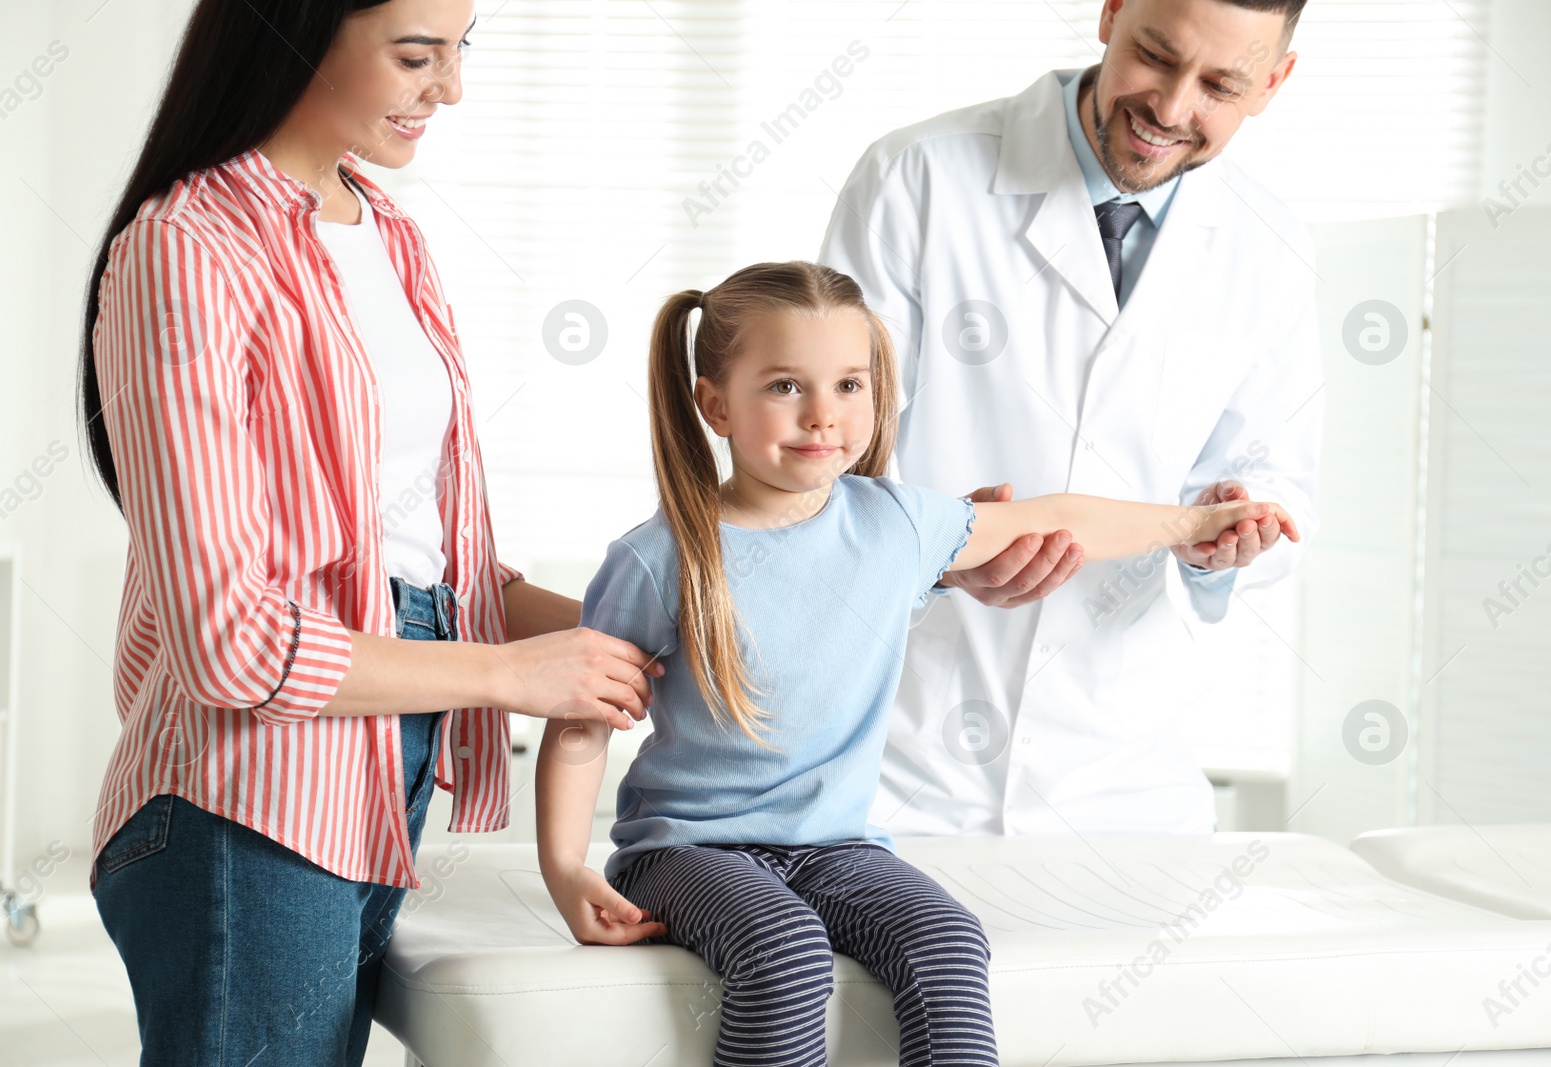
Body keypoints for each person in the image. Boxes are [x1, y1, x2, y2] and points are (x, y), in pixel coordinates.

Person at [78, 2, 660, 1062]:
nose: (450, 89)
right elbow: (229, 643)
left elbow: (427, 558)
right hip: (246, 797)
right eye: (414, 55)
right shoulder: (186, 248)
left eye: (459, 52)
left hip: (376, 763)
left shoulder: (389, 233)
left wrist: (628, 634)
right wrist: (508, 674)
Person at [534, 261, 1296, 1067]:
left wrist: (1198, 522)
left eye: (850, 385)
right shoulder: (662, 558)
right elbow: (582, 716)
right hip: (685, 851)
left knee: (949, 941)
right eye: (786, 385)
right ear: (715, 402)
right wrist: (562, 864)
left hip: (838, 844)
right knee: (784, 950)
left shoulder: (896, 522)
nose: (824, 415)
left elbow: (1058, 517)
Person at [818, 0, 1324, 839]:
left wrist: (1228, 545)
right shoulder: (918, 177)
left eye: (1219, 86)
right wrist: (940, 558)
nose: (1168, 108)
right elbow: (816, 466)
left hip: (1124, 786)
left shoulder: (1269, 246)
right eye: (1156, 56)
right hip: (894, 768)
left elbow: (1276, 482)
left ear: (1272, 83)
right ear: (1111, 12)